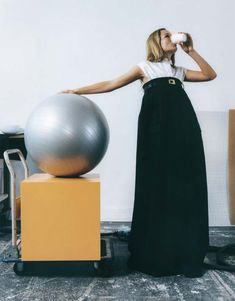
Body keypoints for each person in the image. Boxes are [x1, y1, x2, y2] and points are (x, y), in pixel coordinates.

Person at [61, 28, 217, 278]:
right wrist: (77, 91)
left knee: (183, 183)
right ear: (156, 42)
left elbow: (210, 75)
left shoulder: (178, 72)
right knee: (158, 182)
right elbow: (111, 84)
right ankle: (157, 248)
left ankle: (184, 246)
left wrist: (191, 51)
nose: (172, 39)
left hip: (184, 131)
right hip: (157, 132)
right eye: (166, 36)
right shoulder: (145, 68)